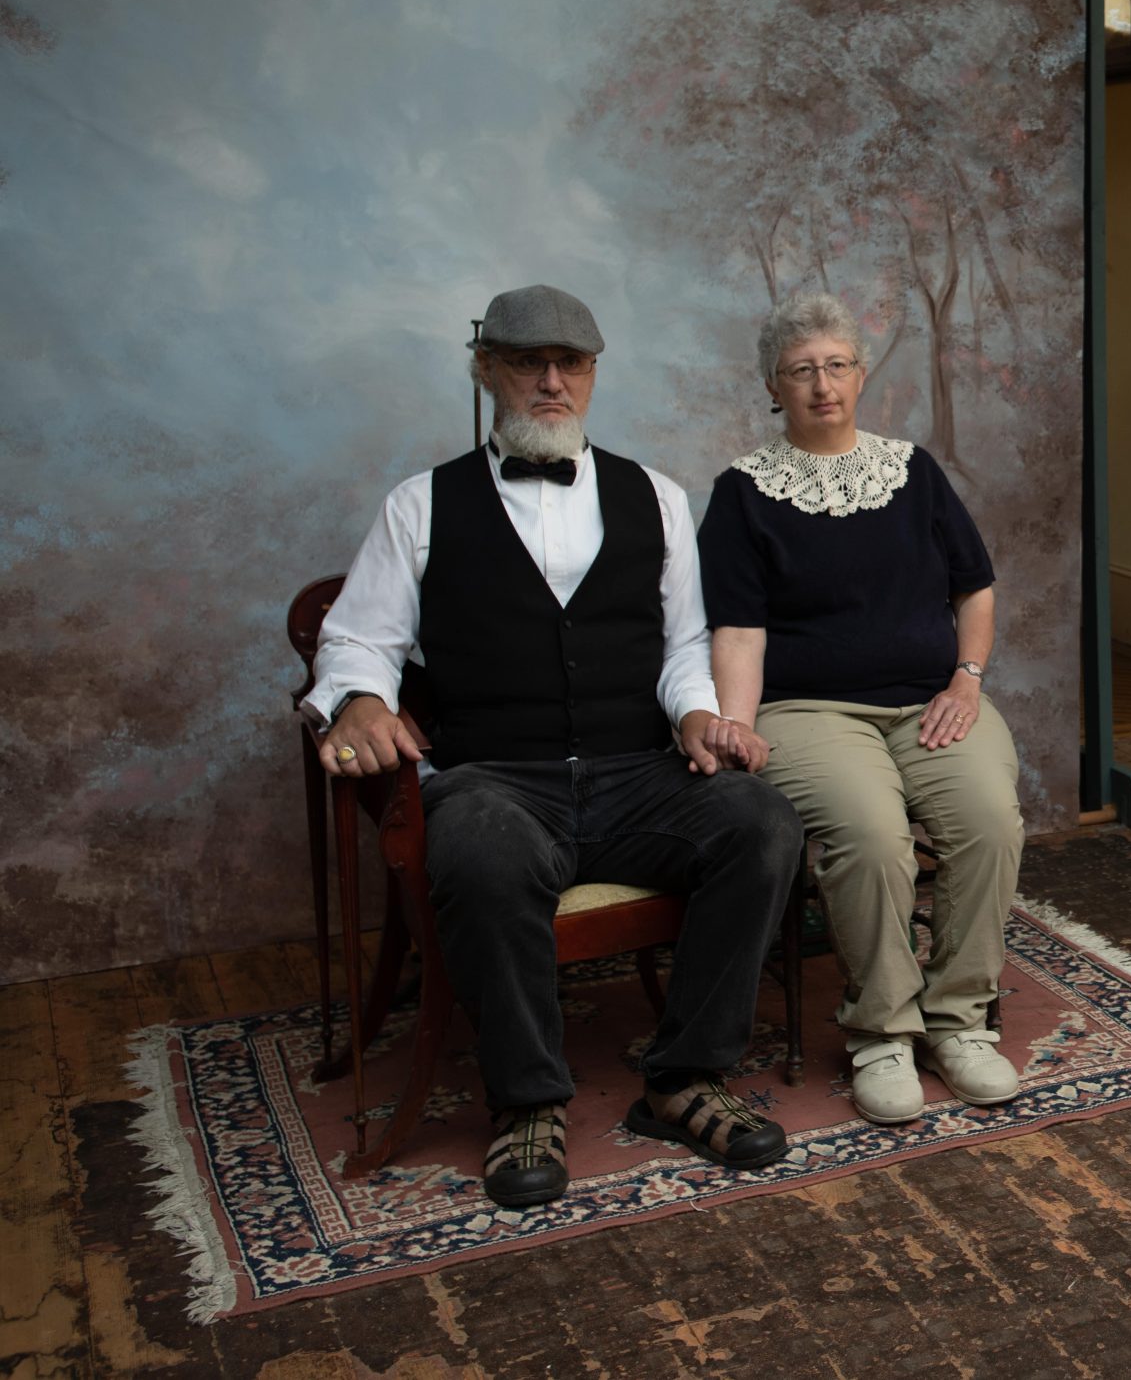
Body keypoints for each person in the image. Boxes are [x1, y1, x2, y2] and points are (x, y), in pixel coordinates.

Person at [303, 285, 803, 1208]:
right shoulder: (419, 504)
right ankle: (527, 1100)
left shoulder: (656, 494)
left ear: (593, 375)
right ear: (485, 369)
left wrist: (696, 715)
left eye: (570, 363)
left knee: (760, 822)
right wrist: (365, 700)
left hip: (634, 774)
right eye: (527, 361)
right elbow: (354, 639)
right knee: (483, 849)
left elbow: (687, 644)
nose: (550, 380)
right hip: (496, 776)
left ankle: (685, 1077)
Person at [695, 291, 1024, 1126]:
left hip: (933, 702)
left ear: (861, 372)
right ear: (774, 384)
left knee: (989, 820)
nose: (823, 384)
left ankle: (959, 1021)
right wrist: (737, 726)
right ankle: (882, 1031)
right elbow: (737, 630)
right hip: (809, 712)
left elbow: (974, 588)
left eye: (837, 364)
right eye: (801, 370)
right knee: (874, 838)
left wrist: (967, 679)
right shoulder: (742, 492)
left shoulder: (913, 472)